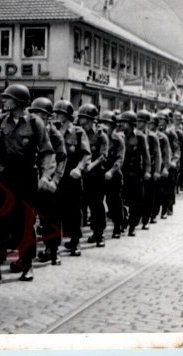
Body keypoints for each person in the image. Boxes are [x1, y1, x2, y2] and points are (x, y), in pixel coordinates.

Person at [0, 84, 54, 283]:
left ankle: (26, 263)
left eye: (8, 98)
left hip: (25, 178)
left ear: (20, 102)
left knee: (24, 223)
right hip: (1, 178)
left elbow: (47, 152)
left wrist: (45, 176)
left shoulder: (34, 123)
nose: (3, 101)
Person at [28, 98, 66, 266]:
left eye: (41, 115)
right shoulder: (29, 129)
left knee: (49, 219)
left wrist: (55, 181)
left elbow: (61, 159)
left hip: (48, 183)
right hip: (31, 180)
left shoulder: (54, 135)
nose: (37, 118)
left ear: (48, 117)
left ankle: (53, 250)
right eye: (34, 113)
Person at [52, 100, 91, 257]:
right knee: (54, 211)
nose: (57, 116)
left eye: (60, 113)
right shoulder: (53, 131)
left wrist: (79, 169)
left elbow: (86, 154)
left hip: (71, 177)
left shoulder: (79, 132)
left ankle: (75, 242)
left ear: (67, 115)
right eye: (56, 113)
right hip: (55, 176)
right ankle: (53, 247)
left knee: (73, 212)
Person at [77, 104, 110, 247]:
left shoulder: (100, 135)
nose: (82, 122)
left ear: (92, 120)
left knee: (96, 205)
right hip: (81, 174)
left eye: (85, 119)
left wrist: (91, 165)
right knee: (80, 204)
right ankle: (78, 235)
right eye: (81, 119)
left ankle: (99, 234)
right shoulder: (78, 133)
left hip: (96, 175)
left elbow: (103, 156)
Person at [117, 111, 151, 237]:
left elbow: (146, 156)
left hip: (136, 174)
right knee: (121, 199)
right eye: (121, 122)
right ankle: (123, 221)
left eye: (125, 122)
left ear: (131, 124)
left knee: (135, 201)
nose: (122, 124)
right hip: (122, 172)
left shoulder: (140, 137)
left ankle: (132, 226)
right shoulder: (118, 136)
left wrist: (147, 171)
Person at [99, 111, 126, 238]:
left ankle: (117, 226)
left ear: (113, 126)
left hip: (113, 175)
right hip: (100, 175)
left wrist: (111, 171)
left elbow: (120, 159)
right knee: (99, 203)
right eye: (103, 122)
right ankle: (99, 231)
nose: (105, 126)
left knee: (114, 202)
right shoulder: (99, 138)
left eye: (108, 124)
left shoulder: (118, 140)